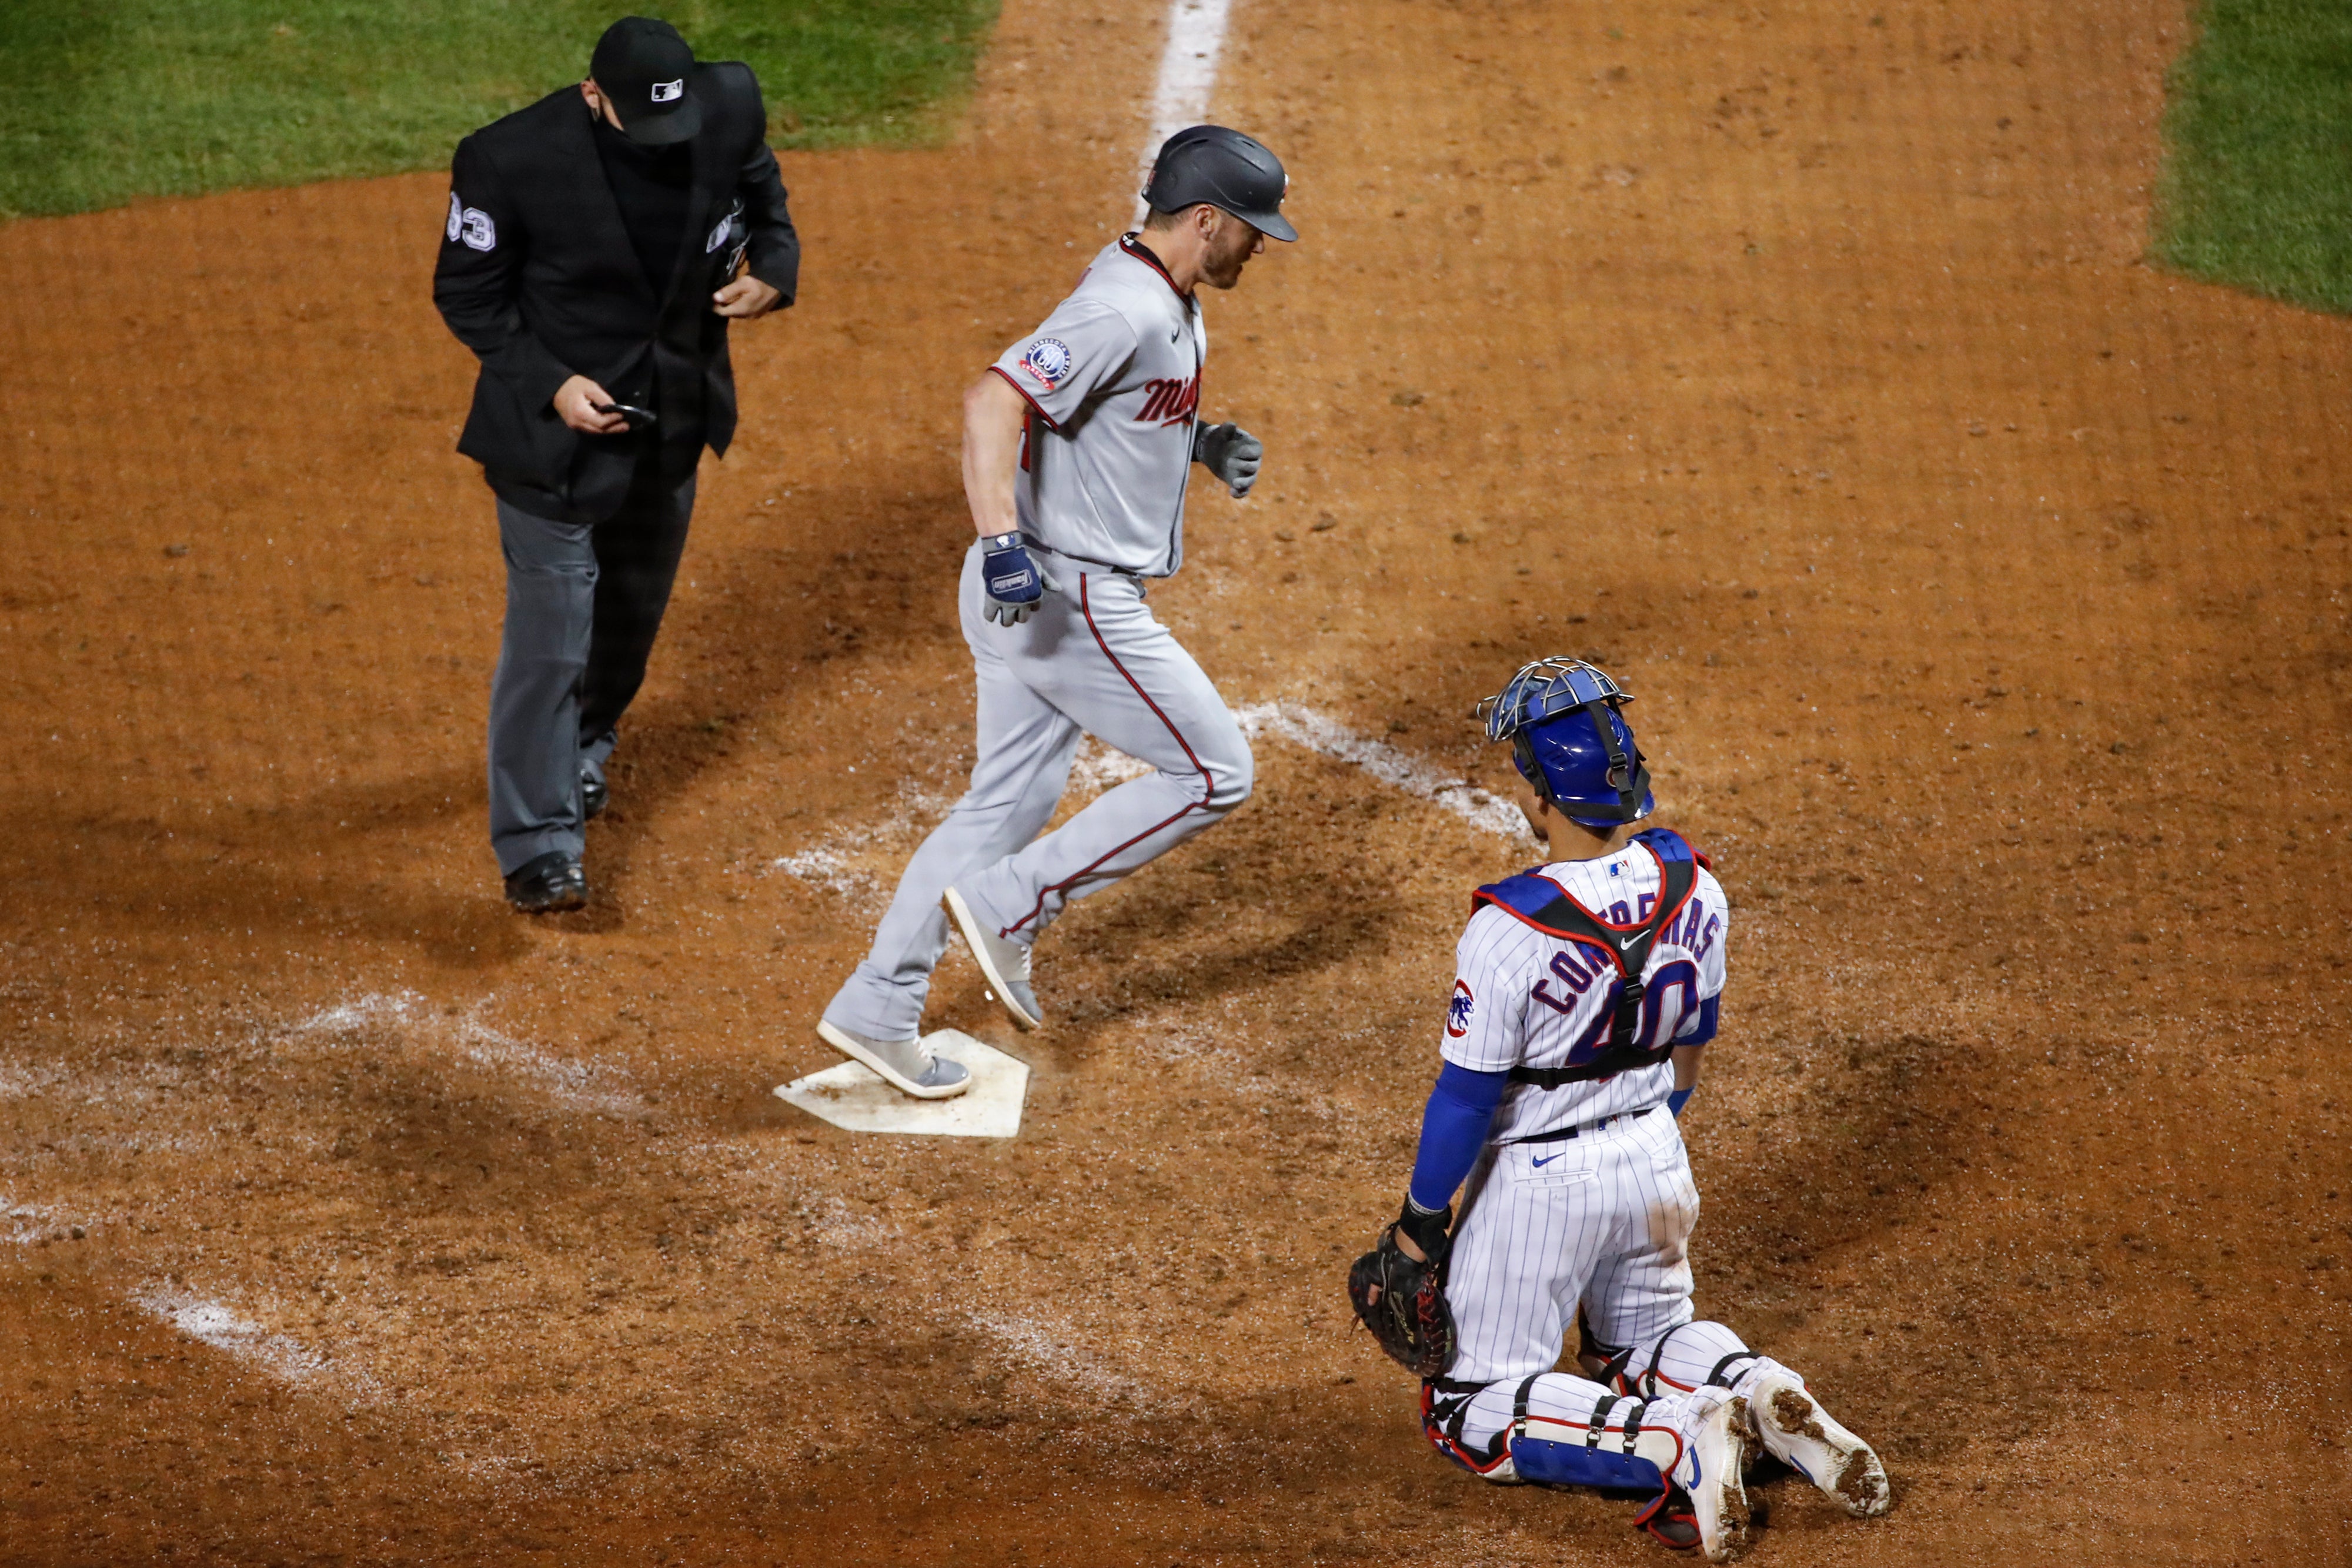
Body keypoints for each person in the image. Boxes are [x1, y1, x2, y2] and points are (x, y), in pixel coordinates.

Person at [1357, 658, 1889, 1562]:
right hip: (1656, 1156)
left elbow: (1464, 1100)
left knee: (1470, 1406)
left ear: (1537, 796)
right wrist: (1647, 1127)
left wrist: (1417, 1229)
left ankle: (1679, 1443)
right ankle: (1759, 1392)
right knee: (1645, 1344)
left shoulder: (1511, 929)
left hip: (1542, 1181)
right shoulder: (1697, 887)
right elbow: (1695, 1042)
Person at [811, 126, 1294, 1099]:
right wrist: (999, 544)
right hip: (1060, 594)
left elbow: (1096, 404)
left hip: (1037, 594)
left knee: (1006, 806)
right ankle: (1019, 904)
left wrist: (1194, 440)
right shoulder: (1124, 307)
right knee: (1213, 771)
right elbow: (994, 401)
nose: (1258, 248)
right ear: (1207, 221)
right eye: (1250, 230)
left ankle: (877, 1003)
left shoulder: (1155, 290)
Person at [434, 15, 799, 911]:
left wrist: (775, 269)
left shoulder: (730, 104)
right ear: (595, 96)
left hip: (673, 414)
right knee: (550, 639)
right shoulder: (508, 158)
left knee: (629, 619)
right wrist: (553, 382)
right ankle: (536, 845)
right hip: (552, 440)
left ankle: (582, 750)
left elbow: (763, 198)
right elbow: (467, 292)